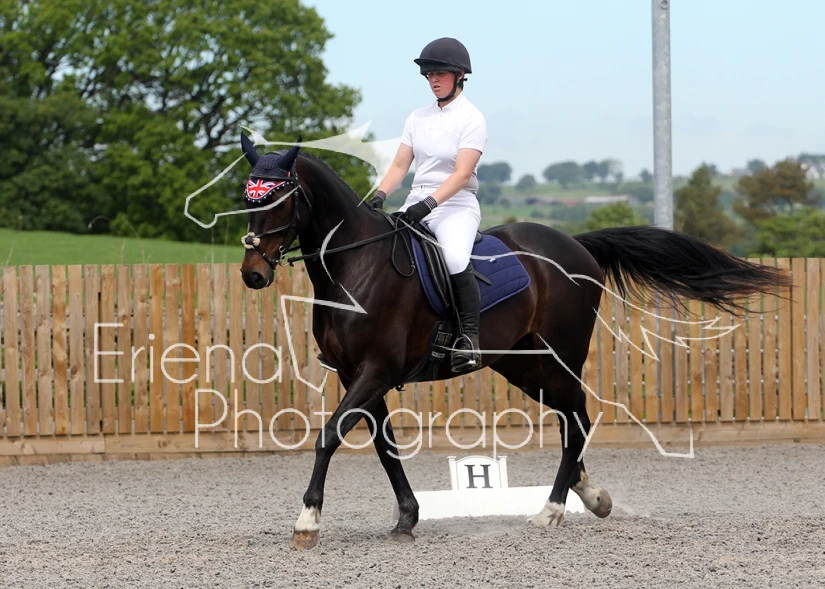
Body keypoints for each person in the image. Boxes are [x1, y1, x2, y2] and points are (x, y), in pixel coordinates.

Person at [369, 37, 487, 373]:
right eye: (429, 74)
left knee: (454, 258)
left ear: (459, 76)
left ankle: (469, 339)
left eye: (440, 74)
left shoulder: (472, 119)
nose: (433, 79)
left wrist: (429, 204)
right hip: (416, 201)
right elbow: (399, 166)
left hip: (455, 205)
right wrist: (379, 196)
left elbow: (462, 174)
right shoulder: (417, 117)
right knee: (381, 254)